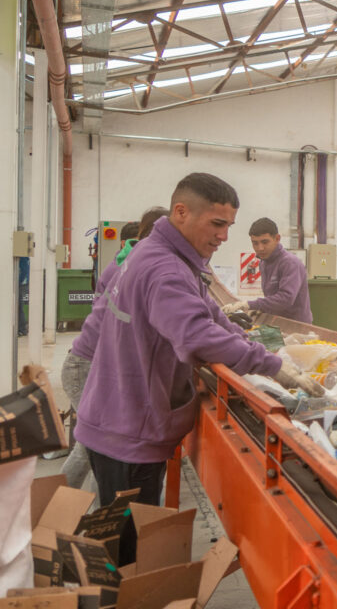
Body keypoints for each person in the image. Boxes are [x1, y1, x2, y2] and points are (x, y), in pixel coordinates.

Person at [75, 173, 322, 506]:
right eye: (217, 224)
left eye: (229, 226)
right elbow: (196, 335)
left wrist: (250, 344)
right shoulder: (166, 269)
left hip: (118, 414)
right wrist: (271, 365)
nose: (224, 236)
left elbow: (211, 315)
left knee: (123, 537)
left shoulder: (155, 253)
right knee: (125, 548)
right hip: (130, 428)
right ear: (181, 212)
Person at [60, 206, 169, 488]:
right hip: (87, 363)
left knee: (101, 445)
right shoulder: (129, 265)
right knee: (97, 445)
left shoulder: (134, 261)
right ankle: (54, 510)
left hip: (98, 361)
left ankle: (87, 515)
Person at [221, 218, 312, 323]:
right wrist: (262, 309)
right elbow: (272, 297)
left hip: (297, 326)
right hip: (278, 322)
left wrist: (249, 305)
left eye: (265, 242)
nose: (260, 248)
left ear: (277, 239)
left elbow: (285, 299)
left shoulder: (290, 263)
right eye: (255, 243)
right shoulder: (264, 262)